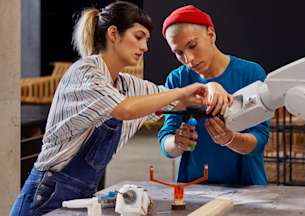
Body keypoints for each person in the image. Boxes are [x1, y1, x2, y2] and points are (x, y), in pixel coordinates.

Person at [10, 2, 227, 216]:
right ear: (113, 34)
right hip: (46, 194)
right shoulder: (86, 72)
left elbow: (172, 101)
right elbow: (125, 109)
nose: (145, 47)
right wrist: (181, 92)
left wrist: (211, 88)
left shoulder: (127, 84)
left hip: (84, 194)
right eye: (139, 37)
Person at [158, 5, 270, 185]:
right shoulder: (177, 79)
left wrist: (231, 139)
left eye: (192, 45)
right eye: (179, 53)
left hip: (247, 186)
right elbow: (166, 140)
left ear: (211, 34)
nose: (189, 59)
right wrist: (178, 143)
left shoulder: (251, 73)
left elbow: (260, 139)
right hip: (194, 186)